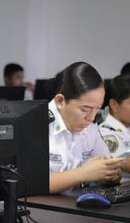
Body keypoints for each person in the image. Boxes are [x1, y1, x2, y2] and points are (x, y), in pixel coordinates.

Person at [48, 62, 124, 194]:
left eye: (98, 109)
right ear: (60, 101)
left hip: (71, 205)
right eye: (85, 109)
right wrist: (84, 173)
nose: (92, 118)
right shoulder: (37, 125)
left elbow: (110, 168)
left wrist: (111, 173)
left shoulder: (90, 128)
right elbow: (30, 183)